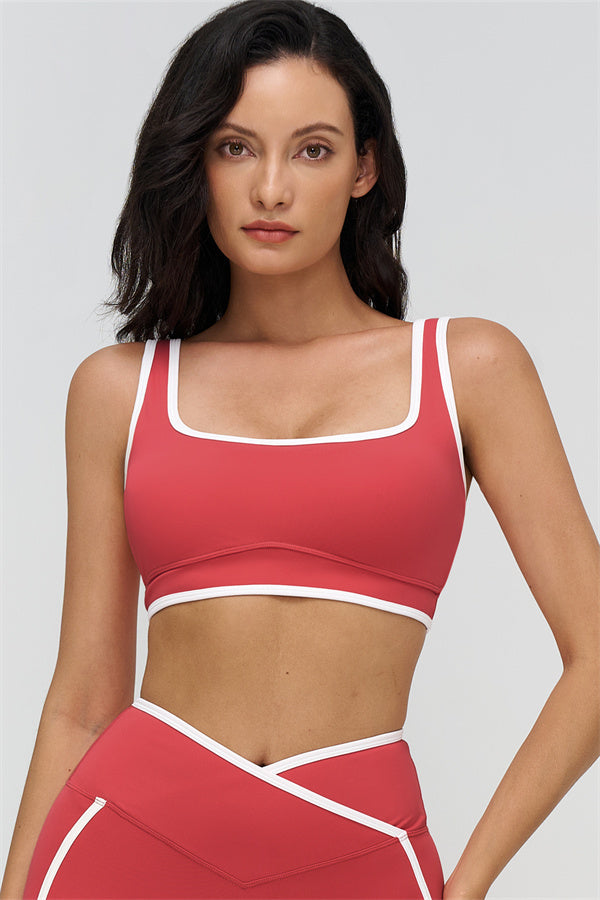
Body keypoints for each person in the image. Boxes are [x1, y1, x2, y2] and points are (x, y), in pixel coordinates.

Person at [2, 0, 599, 898]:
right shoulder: (119, 389)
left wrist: (468, 882)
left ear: (365, 168)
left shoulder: (467, 370)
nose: (271, 188)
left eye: (312, 150)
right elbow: (84, 703)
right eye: (235, 147)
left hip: (359, 853)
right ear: (195, 163)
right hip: (120, 844)